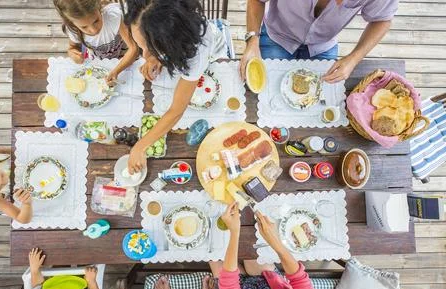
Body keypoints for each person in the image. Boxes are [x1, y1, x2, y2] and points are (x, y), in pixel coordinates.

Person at [125, 0, 228, 174]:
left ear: (169, 44)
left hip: (214, 55)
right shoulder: (152, 11)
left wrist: (139, 147)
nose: (142, 54)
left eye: (148, 48)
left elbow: (177, 110)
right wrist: (153, 56)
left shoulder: (197, 54)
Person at [240, 0, 398, 83]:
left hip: (322, 44)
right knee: (260, 90)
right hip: (278, 33)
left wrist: (353, 58)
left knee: (321, 106)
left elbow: (382, 19)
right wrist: (252, 41)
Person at [214, 203, 322, 289]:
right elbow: (299, 279)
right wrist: (273, 240)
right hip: (268, 282)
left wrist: (234, 231)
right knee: (249, 243)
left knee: (214, 248)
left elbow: (228, 285)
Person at [53, 0, 140, 84]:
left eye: (96, 21)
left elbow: (133, 49)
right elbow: (72, 47)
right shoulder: (73, 30)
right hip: (97, 59)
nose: (93, 30)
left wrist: (116, 71)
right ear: (71, 23)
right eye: (84, 27)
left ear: (99, 7)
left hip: (124, 57)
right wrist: (72, 53)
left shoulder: (114, 17)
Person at [29, 248, 101, 289]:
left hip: (57, 275)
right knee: (88, 254)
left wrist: (34, 269)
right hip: (80, 278)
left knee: (60, 252)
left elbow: (37, 285)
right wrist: (91, 281)